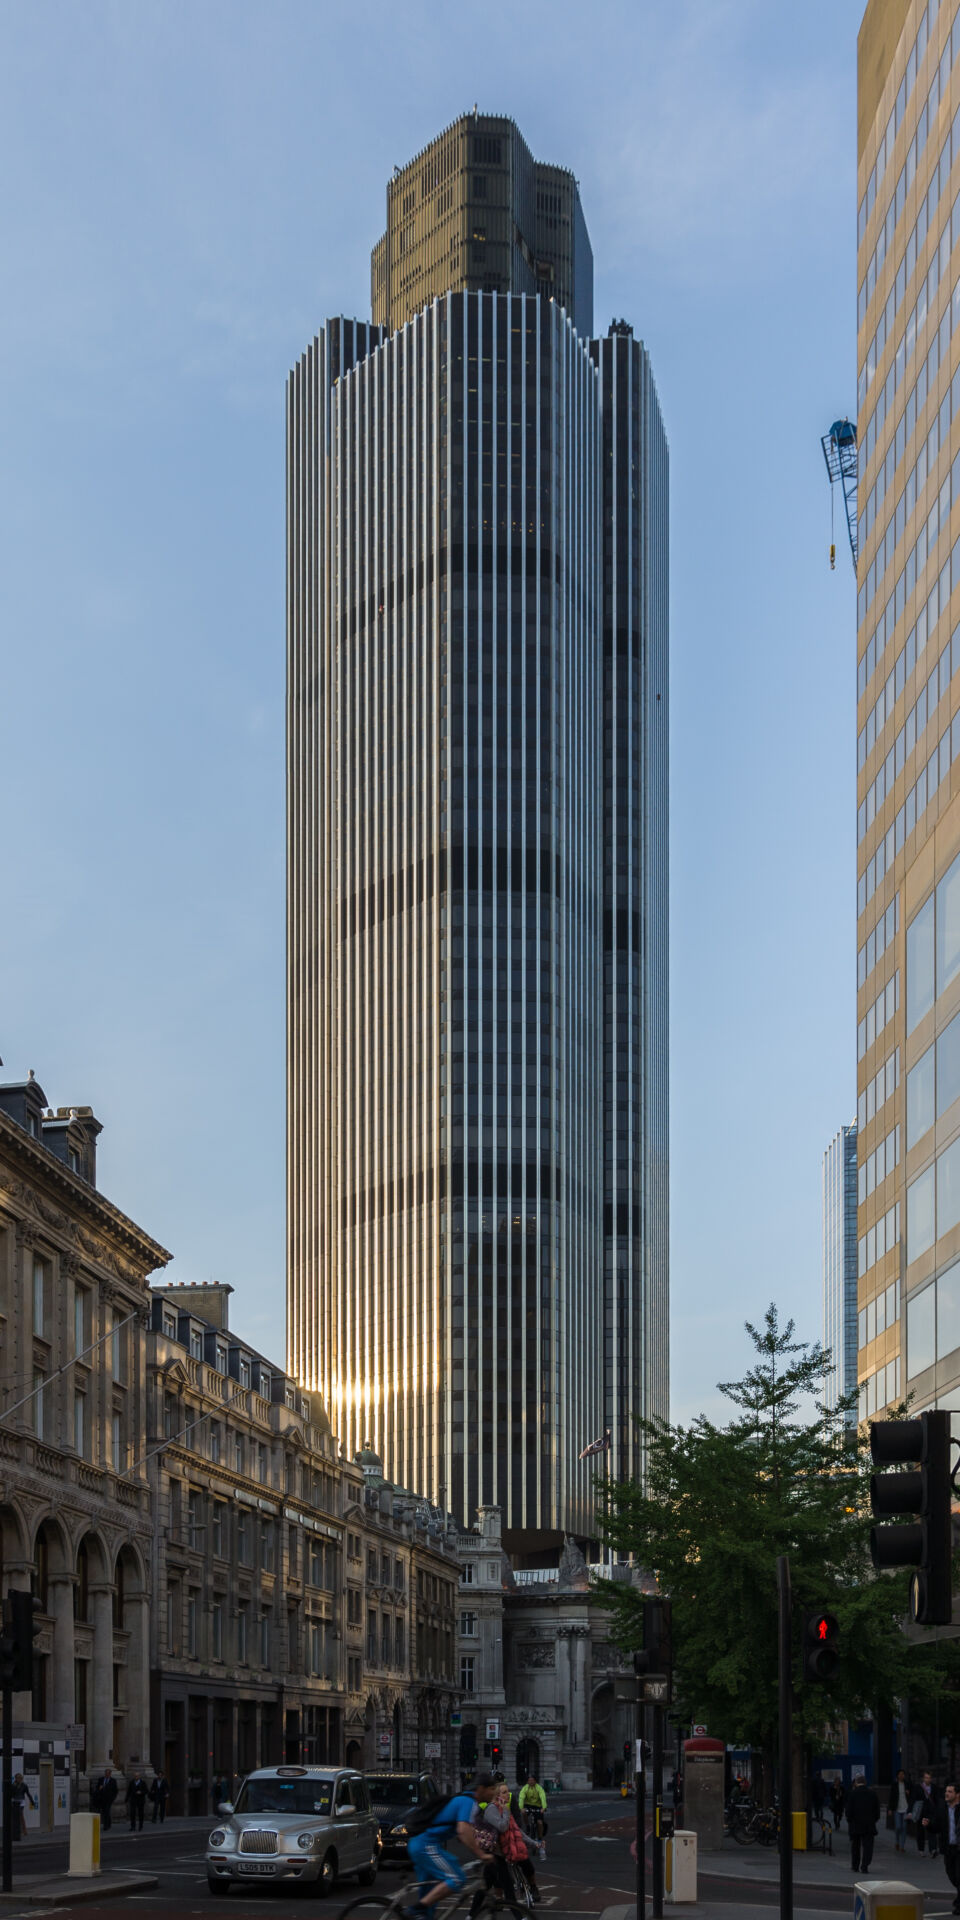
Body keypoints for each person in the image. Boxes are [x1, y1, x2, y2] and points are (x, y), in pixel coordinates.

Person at [404, 1772, 492, 1920]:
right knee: (456, 1878)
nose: (493, 1793)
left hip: (419, 1843)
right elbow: (463, 1830)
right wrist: (481, 1855)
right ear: (482, 1788)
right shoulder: (469, 1802)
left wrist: (477, 1845)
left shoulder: (461, 1799)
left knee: (429, 1904)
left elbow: (464, 1834)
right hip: (426, 1845)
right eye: (492, 1789)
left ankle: (420, 1911)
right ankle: (416, 1909)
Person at [471, 1782, 536, 1914]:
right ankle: (520, 1917)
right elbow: (502, 1827)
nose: (508, 1795)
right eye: (504, 1792)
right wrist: (506, 1811)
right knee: (508, 1888)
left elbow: (515, 1830)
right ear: (497, 1795)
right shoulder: (492, 1809)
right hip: (493, 1853)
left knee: (486, 1886)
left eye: (508, 1791)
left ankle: (471, 1915)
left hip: (499, 1854)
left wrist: (534, 1843)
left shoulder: (502, 1808)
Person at [932, 1780, 960, 1914]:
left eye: (950, 1792)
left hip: (959, 1849)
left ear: (957, 1795)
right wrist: (928, 1825)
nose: (946, 1794)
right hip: (948, 1848)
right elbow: (936, 1827)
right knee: (952, 1876)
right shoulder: (942, 1808)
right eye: (946, 1791)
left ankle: (959, 1905)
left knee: (959, 1876)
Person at [846, 1775, 881, 1875]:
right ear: (865, 1782)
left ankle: (855, 1866)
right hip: (869, 1824)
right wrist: (874, 1820)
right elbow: (877, 1810)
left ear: (856, 1783)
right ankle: (865, 1866)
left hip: (856, 1824)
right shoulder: (872, 1793)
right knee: (868, 1846)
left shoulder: (853, 1794)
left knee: (855, 1846)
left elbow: (849, 1811)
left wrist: (850, 1821)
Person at [888, 1769, 912, 1853]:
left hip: (906, 1808)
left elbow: (912, 1796)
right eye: (900, 1774)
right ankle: (897, 1842)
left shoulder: (907, 1784)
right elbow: (891, 1797)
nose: (902, 1776)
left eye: (903, 1774)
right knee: (898, 1827)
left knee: (904, 1828)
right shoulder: (894, 1785)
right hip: (897, 1809)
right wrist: (890, 1809)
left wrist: (909, 1793)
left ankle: (902, 1846)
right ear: (897, 1775)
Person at [518, 1775, 548, 1843]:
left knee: (539, 1823)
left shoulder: (539, 1788)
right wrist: (521, 1807)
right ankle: (527, 1826)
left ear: (535, 1781)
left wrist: (544, 1807)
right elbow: (521, 1798)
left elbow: (543, 1797)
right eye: (529, 1780)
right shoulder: (525, 1788)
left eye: (532, 1780)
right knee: (523, 1812)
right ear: (527, 1781)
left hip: (537, 1806)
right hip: (528, 1805)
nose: (531, 1782)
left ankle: (540, 1838)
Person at [917, 1771, 940, 1856]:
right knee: (921, 1831)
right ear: (923, 1778)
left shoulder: (934, 1787)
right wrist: (910, 1811)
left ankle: (933, 1849)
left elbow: (937, 1800)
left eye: (929, 1778)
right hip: (921, 1812)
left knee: (932, 1830)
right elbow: (914, 1799)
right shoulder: (919, 1787)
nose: (928, 1779)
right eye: (926, 1777)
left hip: (931, 1812)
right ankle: (921, 1849)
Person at [10, 1774, 35, 1840]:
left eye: (20, 1778)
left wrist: (32, 1801)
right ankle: (17, 1831)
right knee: (15, 1817)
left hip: (21, 1802)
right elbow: (11, 1794)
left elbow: (28, 1794)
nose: (19, 1780)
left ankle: (24, 1831)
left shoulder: (24, 1785)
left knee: (20, 1815)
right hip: (14, 1801)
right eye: (18, 1778)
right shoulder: (13, 1785)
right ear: (15, 1778)